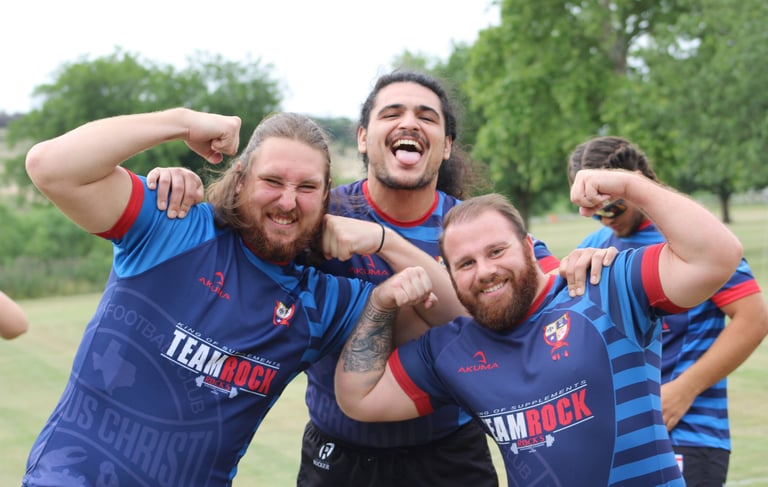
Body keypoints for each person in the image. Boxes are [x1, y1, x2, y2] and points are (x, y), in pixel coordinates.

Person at [148, 70, 616, 487]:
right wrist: (179, 185)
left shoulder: (473, 227)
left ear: (447, 145)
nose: (410, 122)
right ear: (364, 137)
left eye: (427, 116)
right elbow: (232, 230)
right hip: (337, 454)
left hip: (451, 454)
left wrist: (582, 264)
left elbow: (550, 296)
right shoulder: (312, 210)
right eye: (393, 113)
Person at [21, 107, 465, 487]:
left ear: (327, 197)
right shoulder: (172, 227)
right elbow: (49, 166)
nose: (288, 202)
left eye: (308, 188)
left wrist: (386, 240)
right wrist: (183, 121)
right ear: (239, 180)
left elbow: (454, 326)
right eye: (272, 181)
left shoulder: (324, 304)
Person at [333, 168, 745, 486]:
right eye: (466, 263)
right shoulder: (451, 350)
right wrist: (381, 304)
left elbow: (717, 257)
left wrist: (630, 185)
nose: (486, 271)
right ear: (450, 276)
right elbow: (359, 398)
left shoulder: (603, 284)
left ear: (530, 248)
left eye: (497, 251)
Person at [567, 136, 768, 486]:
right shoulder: (594, 246)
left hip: (689, 431)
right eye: (595, 211)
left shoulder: (694, 240)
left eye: (612, 207)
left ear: (637, 180)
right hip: (619, 438)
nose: (604, 219)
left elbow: (755, 317)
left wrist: (683, 390)